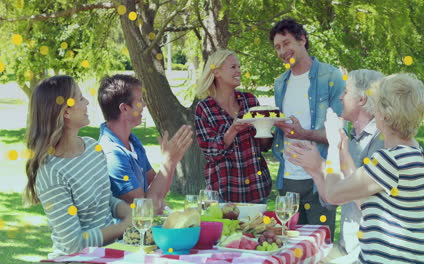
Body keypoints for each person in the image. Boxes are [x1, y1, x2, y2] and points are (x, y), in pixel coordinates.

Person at [288, 73, 424, 263]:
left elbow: (333, 194)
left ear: (384, 115)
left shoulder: (390, 160)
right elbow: (367, 202)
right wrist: (344, 150)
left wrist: (332, 145)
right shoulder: (413, 154)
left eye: (376, 106)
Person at [24, 76, 131, 258]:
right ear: (66, 112)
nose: (87, 102)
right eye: (81, 98)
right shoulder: (52, 173)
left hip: (112, 253)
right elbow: (73, 244)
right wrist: (122, 227)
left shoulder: (92, 148)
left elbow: (106, 200)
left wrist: (132, 214)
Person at [292, 69, 385, 263]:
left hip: (369, 253)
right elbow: (331, 199)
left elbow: (368, 207)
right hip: (346, 247)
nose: (341, 97)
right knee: (295, 255)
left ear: (361, 99)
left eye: (346, 91)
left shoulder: (381, 142)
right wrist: (315, 171)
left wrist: (321, 164)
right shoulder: (351, 139)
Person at [269, 18, 345, 235]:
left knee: (321, 247)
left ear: (302, 39)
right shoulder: (280, 83)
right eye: (277, 47)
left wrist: (305, 134)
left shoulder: (330, 77)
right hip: (288, 181)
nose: (282, 51)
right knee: (289, 247)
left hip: (319, 180)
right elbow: (282, 132)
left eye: (286, 43)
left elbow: (340, 134)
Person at [97, 74, 193, 211]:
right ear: (124, 108)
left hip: (143, 229)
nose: (144, 105)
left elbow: (156, 191)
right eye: (140, 100)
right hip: (125, 232)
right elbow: (144, 208)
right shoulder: (112, 154)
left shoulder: (133, 142)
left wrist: (172, 161)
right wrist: (169, 161)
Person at [194, 49, 272, 203]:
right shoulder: (204, 108)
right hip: (224, 191)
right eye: (233, 67)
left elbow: (263, 146)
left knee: (257, 228)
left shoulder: (250, 101)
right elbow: (210, 152)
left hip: (257, 189)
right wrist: (233, 130)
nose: (239, 71)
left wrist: (267, 126)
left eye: (239, 67)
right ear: (216, 72)